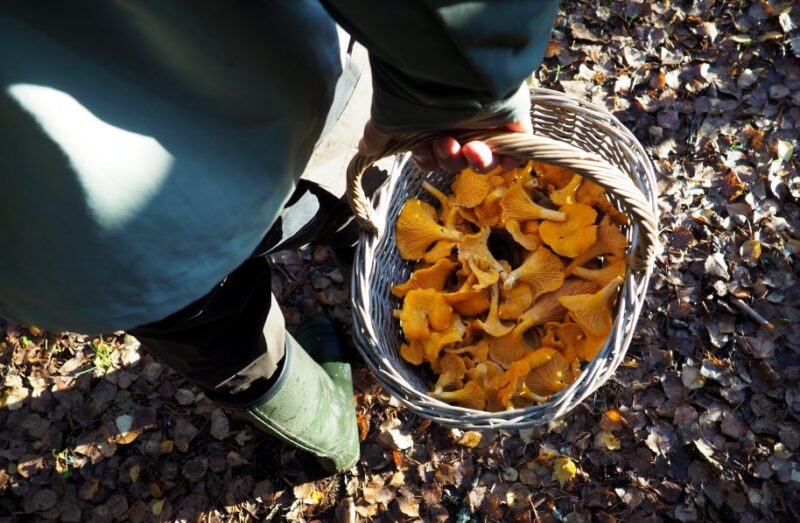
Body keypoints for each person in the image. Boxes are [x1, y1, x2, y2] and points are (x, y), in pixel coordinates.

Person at [0, 1, 559, 472]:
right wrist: (463, 86)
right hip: (266, 83)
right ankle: (348, 401)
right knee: (352, 191)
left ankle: (335, 428)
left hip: (71, 230)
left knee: (222, 338)